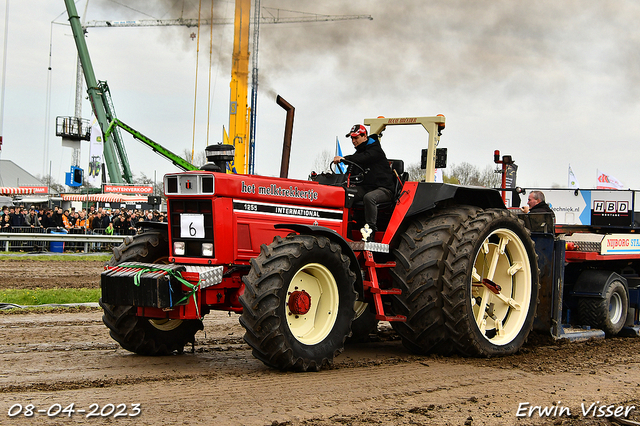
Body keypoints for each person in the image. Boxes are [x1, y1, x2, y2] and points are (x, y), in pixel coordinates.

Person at [333, 124, 396, 233]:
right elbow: (353, 168)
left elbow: (363, 158)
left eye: (356, 138)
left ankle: (370, 230)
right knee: (344, 193)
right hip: (367, 187)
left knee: (369, 198)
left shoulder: (375, 150)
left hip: (384, 189)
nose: (353, 141)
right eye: (352, 138)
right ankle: (345, 229)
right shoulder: (359, 153)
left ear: (365, 136)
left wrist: (344, 159)